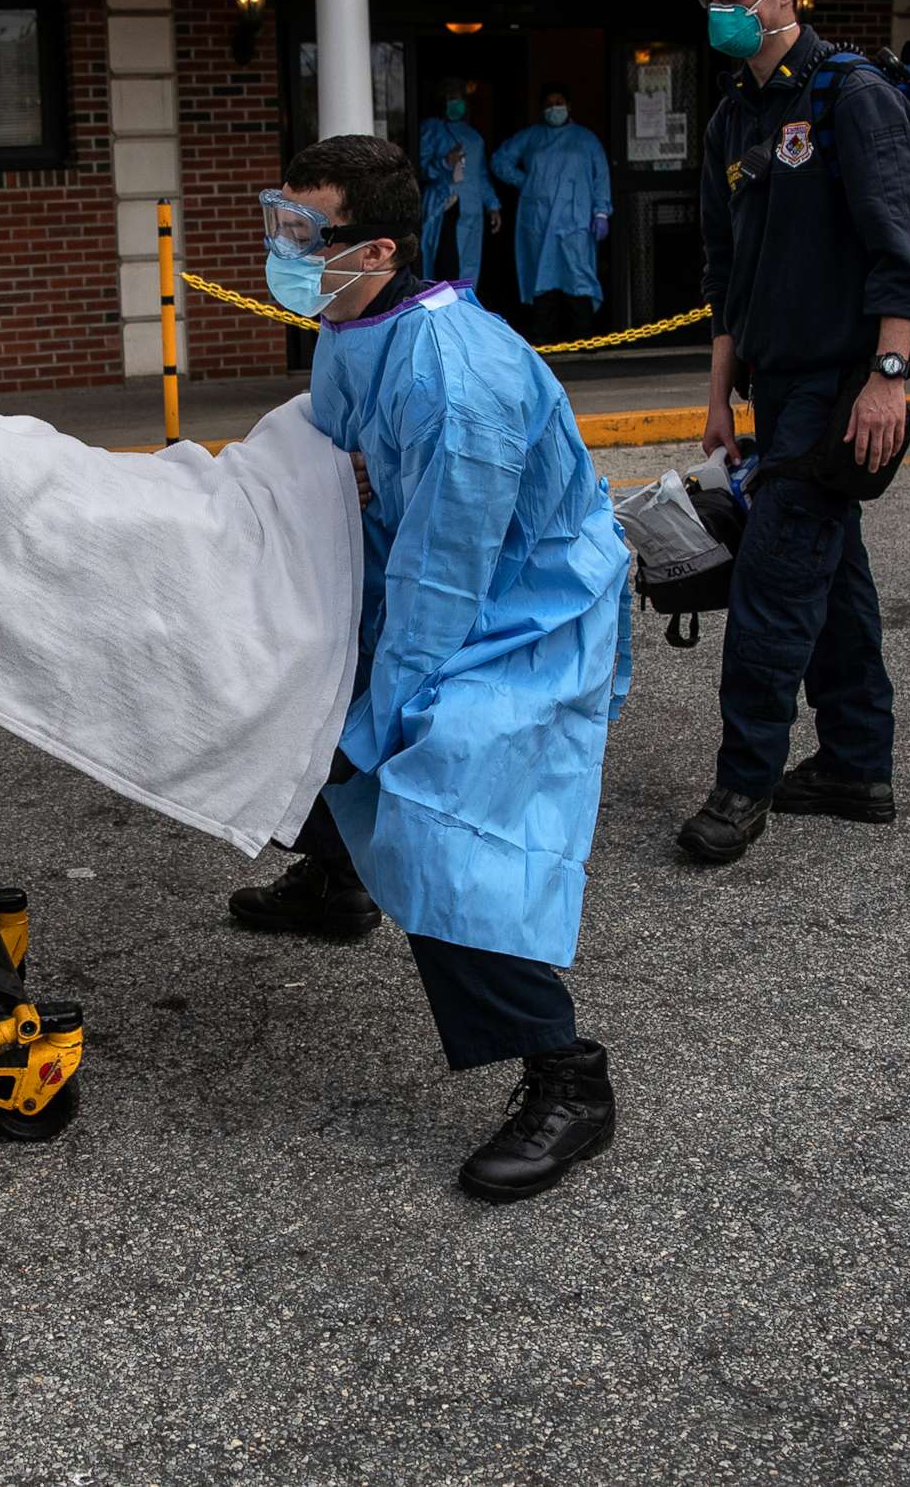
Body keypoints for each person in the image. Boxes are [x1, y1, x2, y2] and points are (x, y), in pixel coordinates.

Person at [227, 133, 633, 1205]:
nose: (286, 249)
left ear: (379, 251)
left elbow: (445, 590)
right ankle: (335, 882)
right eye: (281, 222)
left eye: (308, 235)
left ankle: (565, 1074)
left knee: (431, 789)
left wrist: (385, 721)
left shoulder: (456, 381)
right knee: (303, 690)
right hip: (424, 574)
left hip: (519, 607)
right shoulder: (353, 324)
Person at [671, 0, 910, 866]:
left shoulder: (853, 97)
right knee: (834, 575)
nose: (722, 6)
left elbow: (901, 249)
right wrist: (716, 404)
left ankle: (743, 787)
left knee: (777, 589)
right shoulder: (732, 117)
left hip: (841, 383)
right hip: (775, 388)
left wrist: (888, 380)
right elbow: (724, 272)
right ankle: (857, 764)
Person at [489, 87, 612, 345]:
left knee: (578, 274)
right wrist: (526, 182)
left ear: (569, 105)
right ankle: (544, 335)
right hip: (540, 219)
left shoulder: (586, 140)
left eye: (559, 102)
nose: (554, 108)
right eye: (549, 103)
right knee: (543, 274)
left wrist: (601, 211)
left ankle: (583, 334)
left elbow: (600, 176)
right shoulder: (532, 137)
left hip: (575, 219)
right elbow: (500, 160)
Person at [415, 83, 500, 287]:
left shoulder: (474, 137)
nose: (455, 103)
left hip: (470, 208)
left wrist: (493, 205)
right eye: (450, 98)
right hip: (443, 207)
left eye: (458, 98)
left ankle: (464, 310)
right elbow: (420, 168)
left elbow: (480, 174)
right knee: (443, 265)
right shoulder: (431, 129)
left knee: (468, 265)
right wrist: (445, 162)